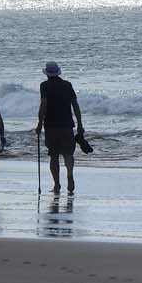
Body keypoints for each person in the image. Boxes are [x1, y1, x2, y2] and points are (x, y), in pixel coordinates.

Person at [37, 61, 84, 194]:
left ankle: (57, 184)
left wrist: (39, 123)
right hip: (67, 125)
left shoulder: (44, 86)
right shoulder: (67, 85)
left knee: (54, 155)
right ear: (58, 72)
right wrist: (80, 124)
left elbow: (43, 104)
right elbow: (75, 105)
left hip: (51, 125)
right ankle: (70, 175)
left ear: (47, 73)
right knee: (68, 154)